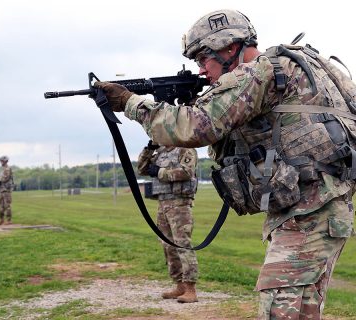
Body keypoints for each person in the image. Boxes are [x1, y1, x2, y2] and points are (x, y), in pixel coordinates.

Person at [94, 9, 356, 318]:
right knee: (302, 311)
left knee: (283, 312)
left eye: (204, 59)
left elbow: (195, 126)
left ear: (229, 48)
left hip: (310, 211)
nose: (202, 71)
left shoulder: (259, 72)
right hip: (322, 206)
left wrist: (130, 103)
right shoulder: (301, 66)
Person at [138, 140, 198, 303]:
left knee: (182, 245)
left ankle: (190, 289)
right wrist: (148, 150)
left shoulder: (185, 150)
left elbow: (186, 172)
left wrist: (160, 172)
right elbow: (142, 168)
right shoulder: (160, 152)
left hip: (180, 204)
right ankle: (179, 285)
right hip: (162, 204)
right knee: (168, 246)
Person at [0, 155, 14, 225]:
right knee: (0, 205)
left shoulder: (7, 169)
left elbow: (5, 178)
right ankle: (1, 219)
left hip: (6, 189)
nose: (1, 162)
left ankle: (9, 220)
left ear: (5, 161)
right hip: (2, 190)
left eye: (1, 161)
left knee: (7, 205)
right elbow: (1, 177)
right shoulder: (3, 169)